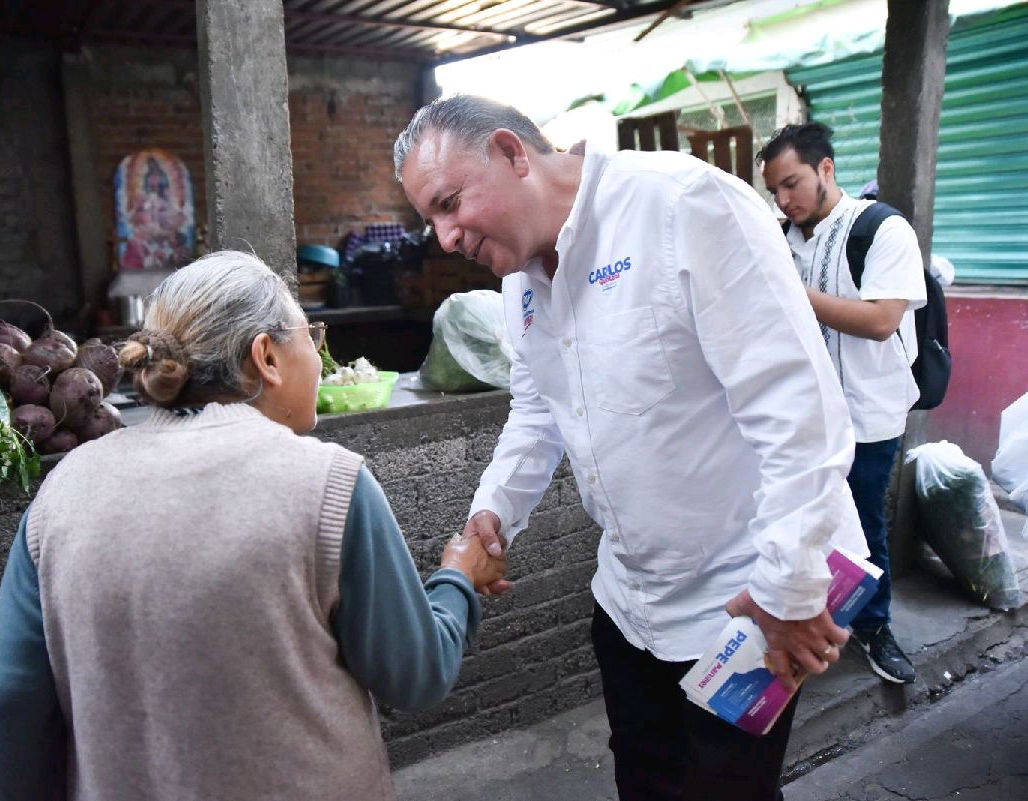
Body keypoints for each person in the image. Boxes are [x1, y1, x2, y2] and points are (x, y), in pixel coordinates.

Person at [393, 94, 867, 801]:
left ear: (512, 152)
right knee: (646, 785)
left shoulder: (681, 207)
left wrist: (790, 586)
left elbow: (798, 409)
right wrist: (494, 511)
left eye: (449, 203)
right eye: (430, 219)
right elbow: (536, 408)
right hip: (628, 607)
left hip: (742, 604)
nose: (444, 237)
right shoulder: (521, 282)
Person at [0, 251, 505, 801]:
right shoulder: (330, 485)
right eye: (311, 338)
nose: (318, 359)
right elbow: (415, 674)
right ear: (266, 356)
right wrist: (457, 577)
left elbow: (2, 705)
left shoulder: (62, 490)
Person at [760, 123, 926, 685]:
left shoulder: (881, 230)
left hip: (869, 415)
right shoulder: (782, 237)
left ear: (826, 169)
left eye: (792, 184)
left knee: (863, 527)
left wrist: (792, 294)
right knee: (805, 524)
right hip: (803, 417)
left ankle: (875, 629)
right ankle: (815, 628)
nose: (784, 200)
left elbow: (882, 321)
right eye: (775, 192)